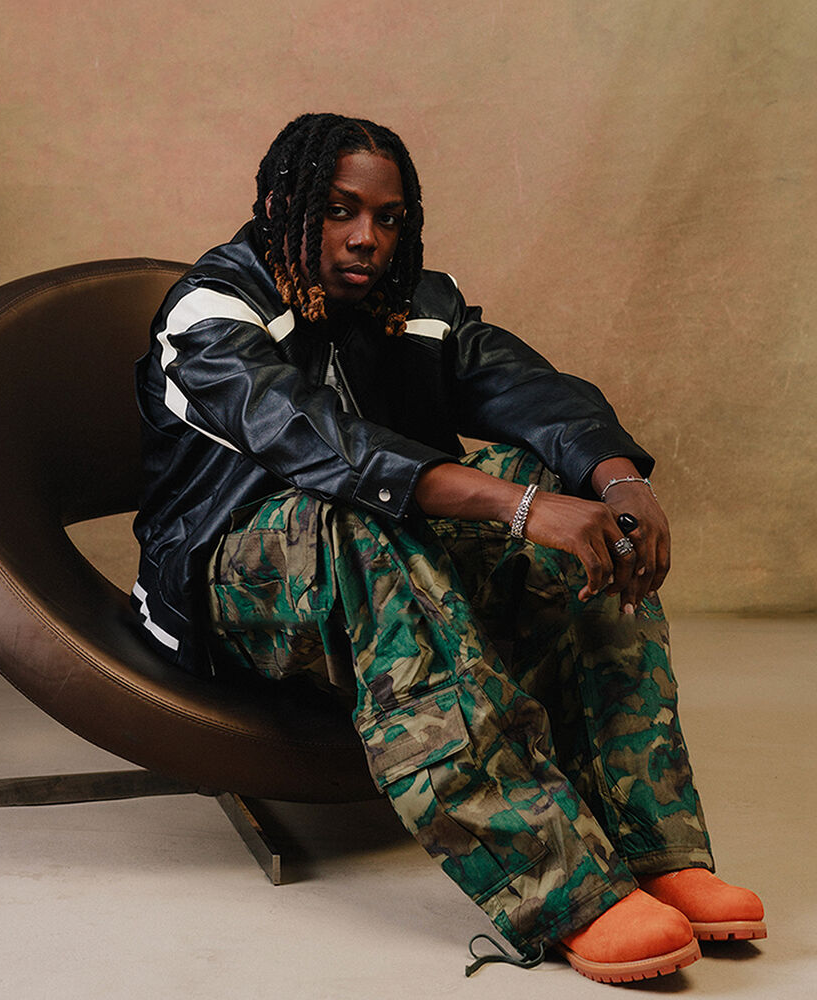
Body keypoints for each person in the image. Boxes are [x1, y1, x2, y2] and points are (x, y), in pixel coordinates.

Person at [131, 113, 765, 984]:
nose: (366, 238)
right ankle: (562, 888)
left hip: (386, 557)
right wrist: (521, 508)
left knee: (555, 487)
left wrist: (616, 480)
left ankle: (653, 843)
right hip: (229, 586)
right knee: (368, 521)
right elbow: (324, 446)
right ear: (280, 203)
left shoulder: (415, 302)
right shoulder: (210, 314)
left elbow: (525, 386)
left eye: (387, 218)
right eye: (339, 210)